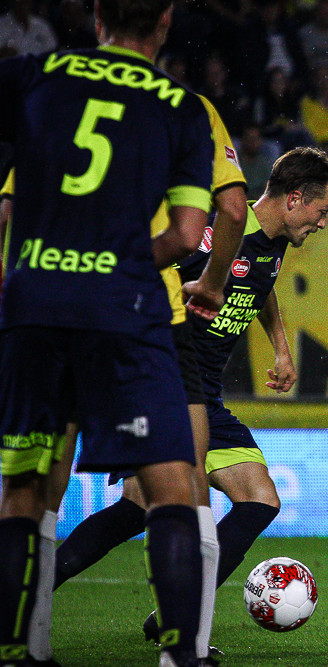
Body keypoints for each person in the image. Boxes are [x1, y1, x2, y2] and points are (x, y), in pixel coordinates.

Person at [50, 147, 328, 650]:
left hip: (202, 392)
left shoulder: (272, 242)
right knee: (156, 506)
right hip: (166, 384)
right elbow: (144, 274)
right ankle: (170, 626)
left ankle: (169, 612)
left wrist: (281, 347)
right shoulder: (213, 235)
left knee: (254, 498)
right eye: (322, 210)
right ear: (294, 199)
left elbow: (260, 283)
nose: (322, 222)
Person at [0, 0, 216, 664]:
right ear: (164, 23)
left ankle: (13, 650)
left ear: (97, 20)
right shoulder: (182, 108)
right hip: (124, 307)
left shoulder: (34, 73)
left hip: (33, 299)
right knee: (171, 482)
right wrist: (115, 256)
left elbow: (7, 200)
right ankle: (181, 653)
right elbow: (186, 234)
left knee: (24, 488)